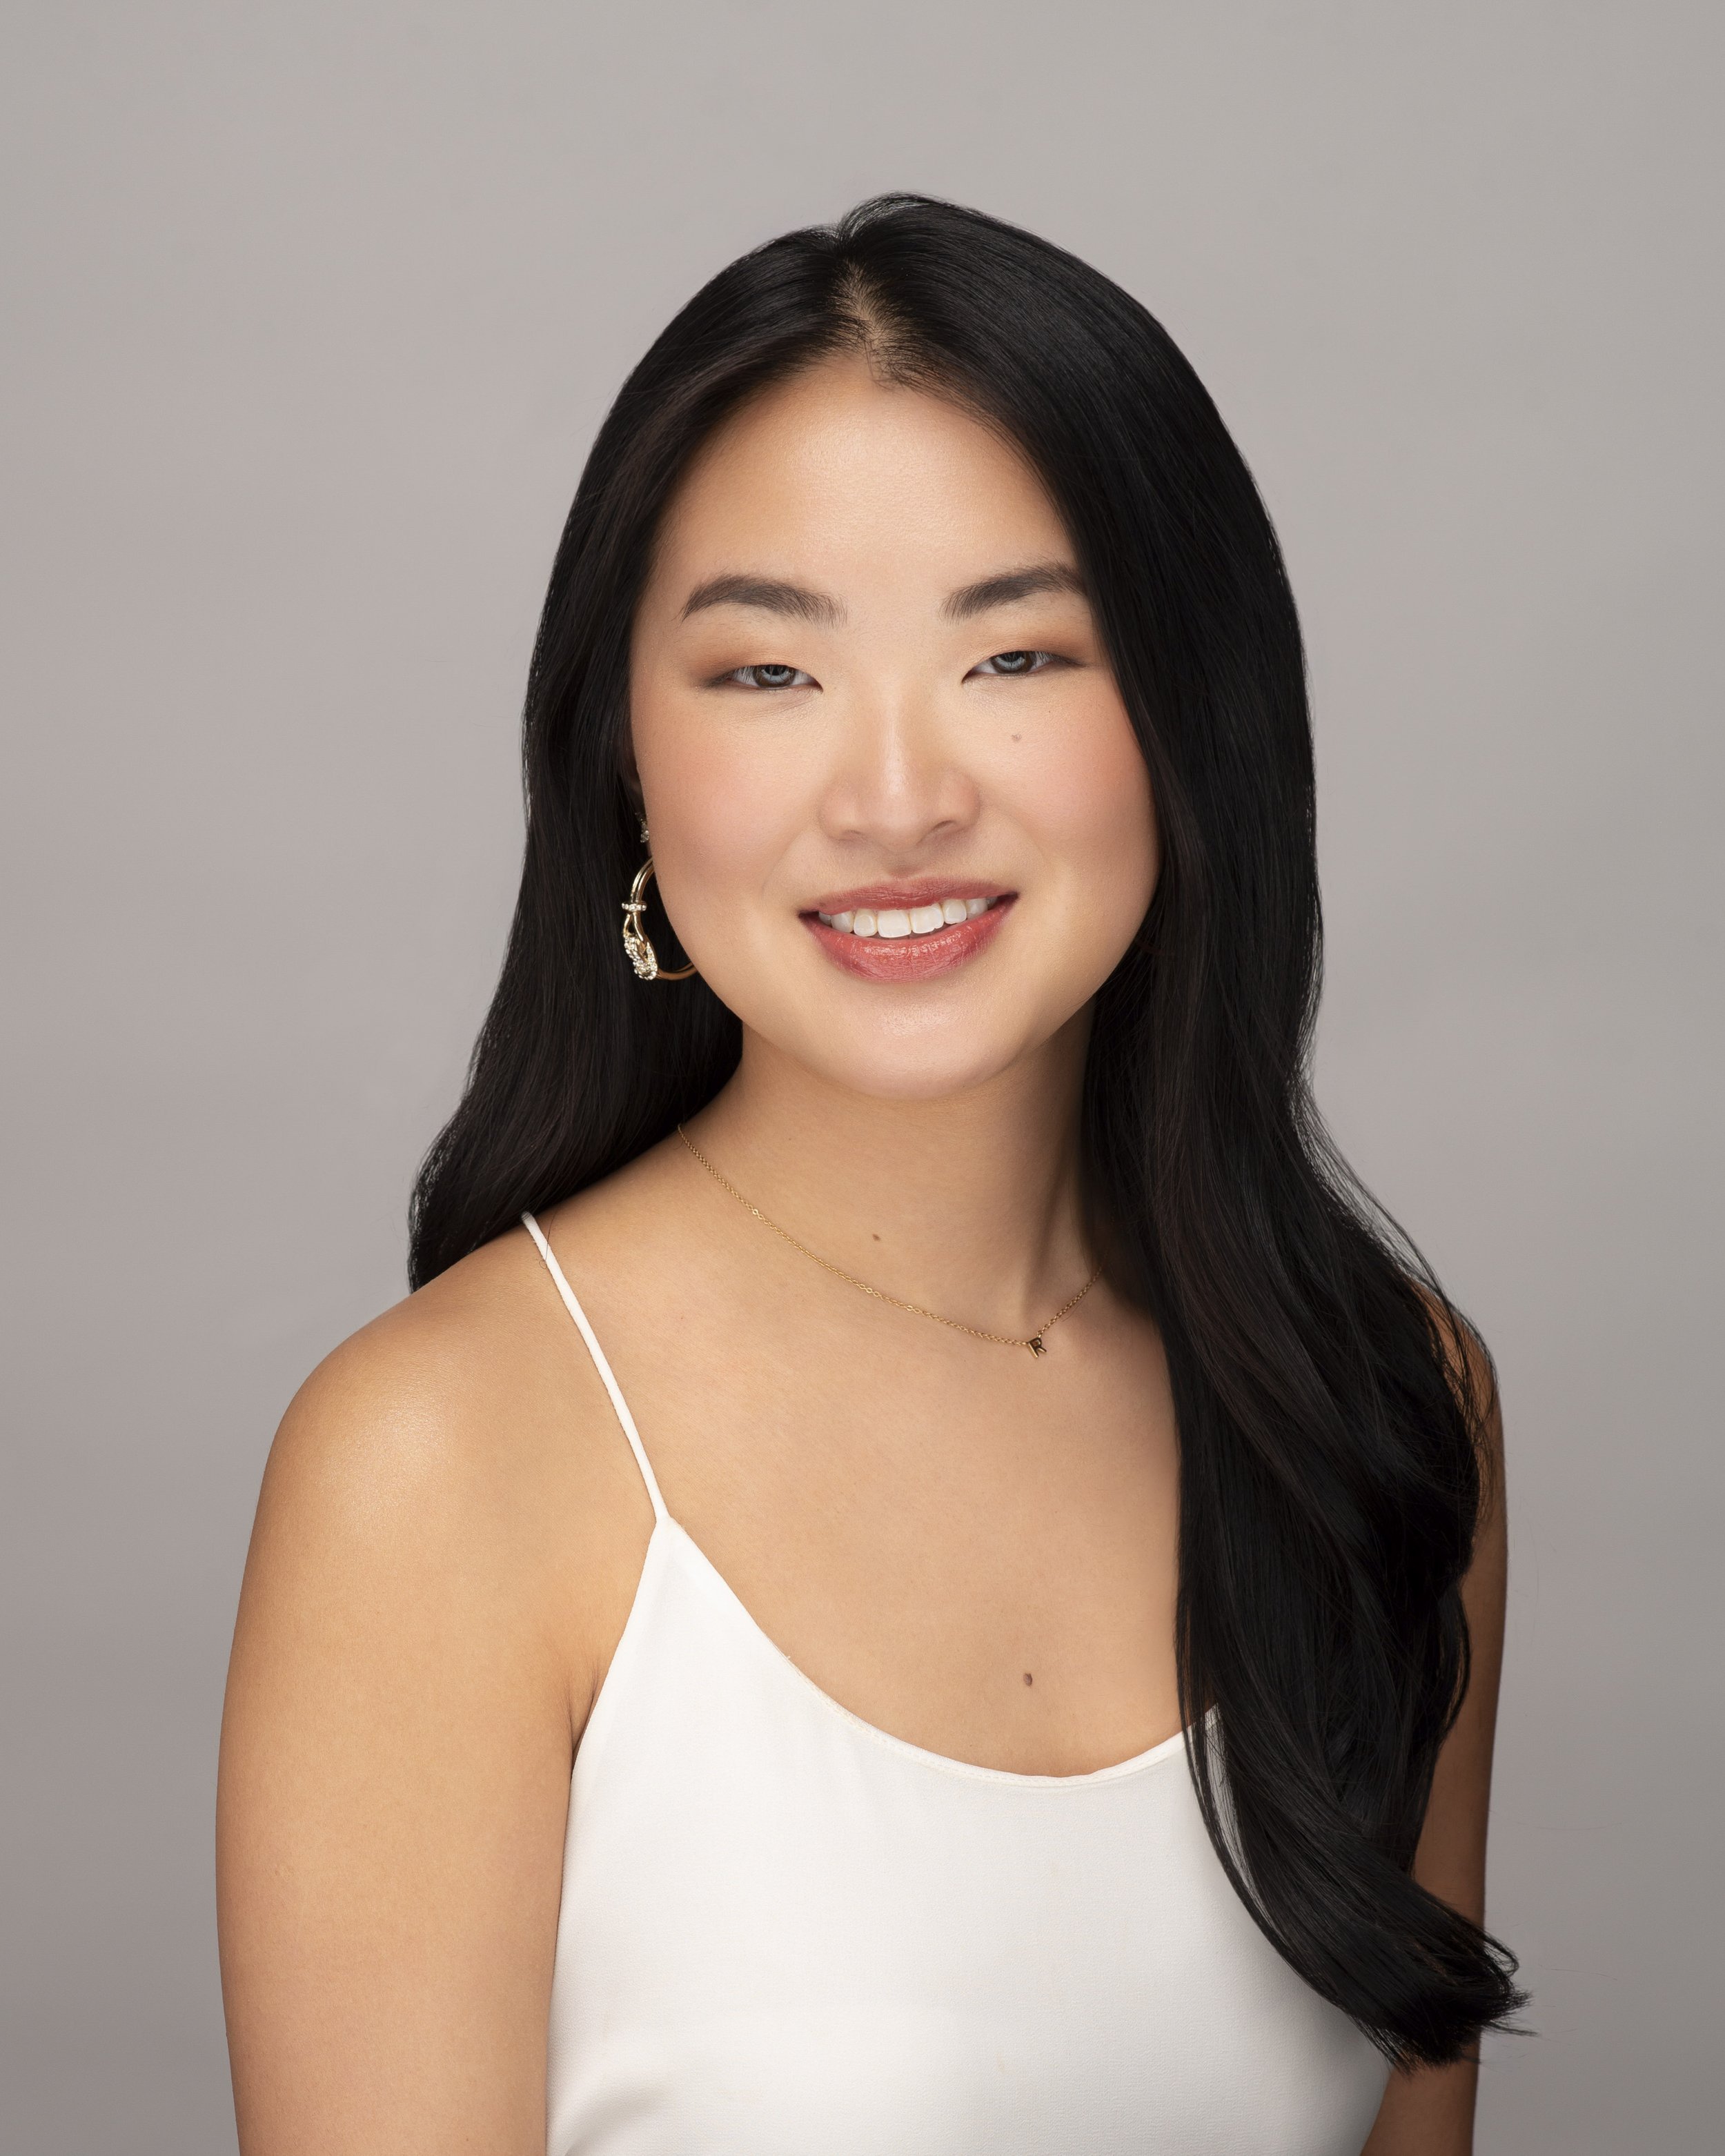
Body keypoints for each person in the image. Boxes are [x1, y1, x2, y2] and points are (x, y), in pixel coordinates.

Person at [216, 195, 1522, 2155]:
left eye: (1018, 654)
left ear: (1194, 717)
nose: (898, 797)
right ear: (622, 759)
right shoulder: (442, 1464)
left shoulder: (1378, 1404)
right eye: (768, 674)